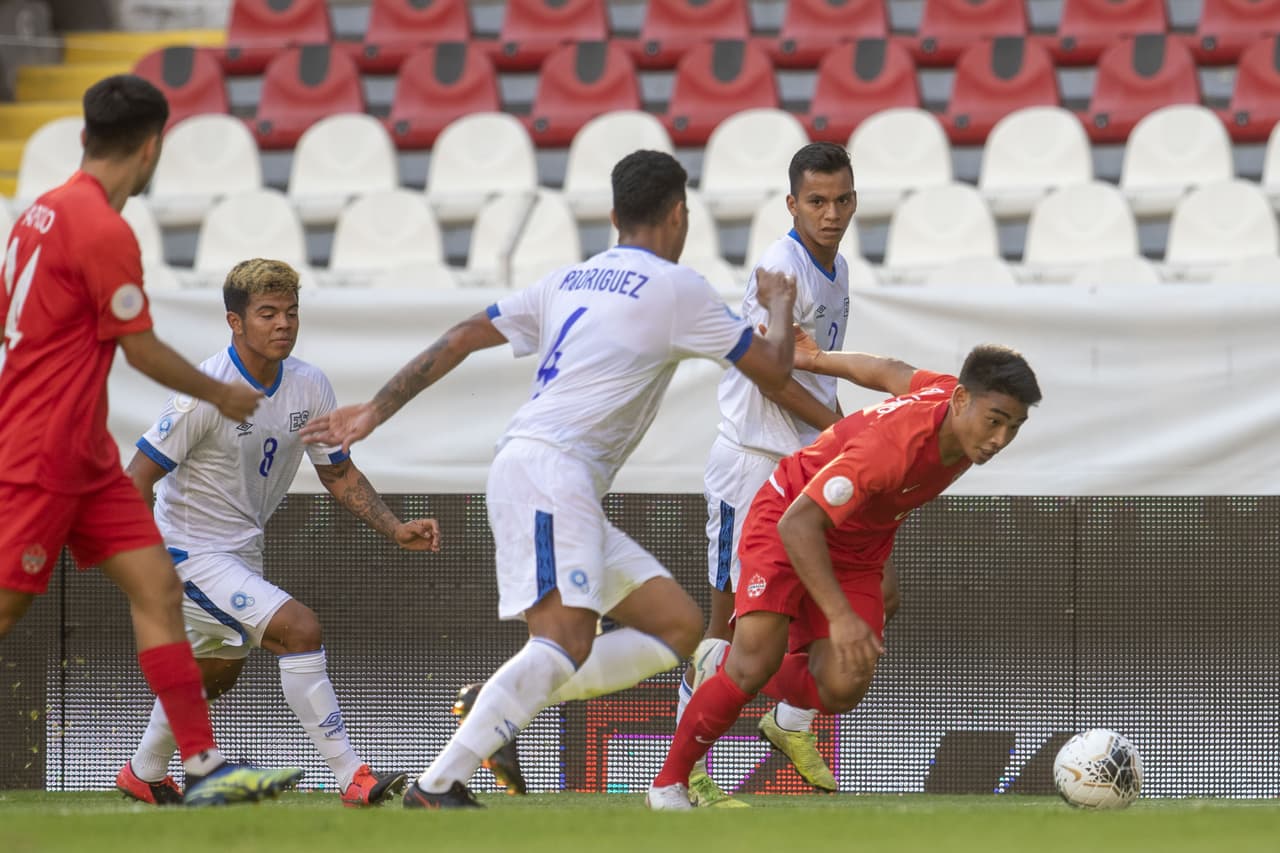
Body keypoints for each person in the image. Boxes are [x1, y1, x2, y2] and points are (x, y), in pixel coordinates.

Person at [301, 149, 799, 809]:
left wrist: (375, 409)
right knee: (564, 640)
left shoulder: (569, 278)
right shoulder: (679, 288)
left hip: (552, 478)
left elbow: (457, 337)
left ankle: (490, 703)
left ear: (615, 215)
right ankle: (438, 781)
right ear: (680, 215)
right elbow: (774, 370)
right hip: (547, 472)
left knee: (677, 626)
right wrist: (783, 310)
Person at [0, 74, 302, 806]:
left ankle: (197, 762)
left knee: (160, 587)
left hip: (88, 456)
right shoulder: (103, 228)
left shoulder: (39, 210)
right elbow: (140, 349)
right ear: (152, 147)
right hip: (40, 453)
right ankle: (194, 758)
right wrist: (222, 392)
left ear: (85, 138)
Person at [648, 338, 1042, 809]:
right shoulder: (892, 448)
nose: (1000, 439)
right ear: (962, 401)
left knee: (841, 687)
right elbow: (799, 524)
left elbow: (888, 369)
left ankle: (738, 670)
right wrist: (839, 616)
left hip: (856, 543)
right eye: (994, 421)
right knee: (754, 665)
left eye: (1013, 427)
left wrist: (815, 359)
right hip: (789, 515)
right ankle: (667, 785)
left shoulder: (947, 395)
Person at [114, 258, 439, 807]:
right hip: (185, 553)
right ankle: (352, 776)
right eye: (267, 313)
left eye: (291, 312)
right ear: (234, 322)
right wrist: (145, 565)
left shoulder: (309, 384)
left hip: (241, 551)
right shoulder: (205, 391)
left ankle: (143, 773)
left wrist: (395, 527)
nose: (283, 324)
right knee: (300, 630)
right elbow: (136, 479)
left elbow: (337, 472)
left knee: (213, 677)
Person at [681, 141, 893, 806]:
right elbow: (769, 375)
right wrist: (840, 431)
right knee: (731, 626)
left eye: (842, 200)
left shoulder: (839, 266)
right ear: (792, 204)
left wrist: (840, 431)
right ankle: (686, 763)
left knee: (874, 592)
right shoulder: (781, 265)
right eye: (817, 201)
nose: (831, 214)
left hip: (809, 466)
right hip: (755, 463)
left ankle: (790, 720)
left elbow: (815, 366)